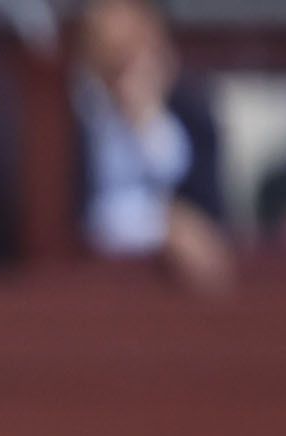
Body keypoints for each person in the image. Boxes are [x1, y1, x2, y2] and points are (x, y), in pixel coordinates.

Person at [65, 0, 231, 289]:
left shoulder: (191, 108)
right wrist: (159, 227)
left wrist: (145, 117)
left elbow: (206, 221)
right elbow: (82, 220)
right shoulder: (61, 112)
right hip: (88, 289)